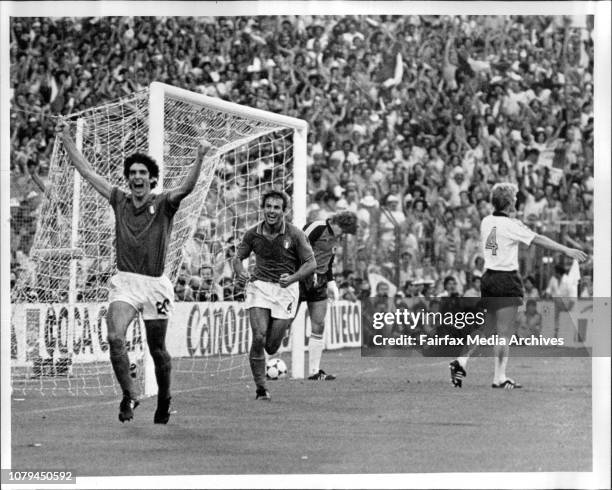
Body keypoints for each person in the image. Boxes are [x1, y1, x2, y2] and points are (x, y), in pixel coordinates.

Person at [58, 121, 210, 423]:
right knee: (115, 336)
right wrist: (65, 139)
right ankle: (129, 395)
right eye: (133, 173)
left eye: (143, 173)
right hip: (125, 282)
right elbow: (87, 172)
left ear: (151, 179)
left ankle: (164, 398)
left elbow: (188, 188)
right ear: (128, 179)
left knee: (157, 351)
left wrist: (200, 157)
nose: (137, 177)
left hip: (155, 286)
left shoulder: (164, 202)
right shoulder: (119, 199)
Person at [449, 183, 587, 389]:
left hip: (488, 278)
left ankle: (461, 361)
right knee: (504, 331)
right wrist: (565, 249)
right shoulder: (512, 224)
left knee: (486, 327)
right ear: (508, 202)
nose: (516, 201)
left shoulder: (486, 221)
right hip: (506, 279)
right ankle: (499, 377)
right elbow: (537, 239)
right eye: (514, 198)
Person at [233, 190, 316, 401]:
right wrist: (241, 273)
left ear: (284, 211)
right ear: (263, 208)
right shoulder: (252, 233)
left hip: (286, 290)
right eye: (268, 206)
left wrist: (293, 278)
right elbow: (238, 258)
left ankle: (279, 328)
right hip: (259, 287)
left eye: (276, 207)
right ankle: (261, 388)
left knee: (271, 345)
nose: (272, 211)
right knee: (259, 336)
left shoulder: (295, 234)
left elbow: (311, 263)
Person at [300, 211, 358, 380]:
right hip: (300, 279)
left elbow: (328, 260)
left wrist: (331, 282)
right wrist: (304, 271)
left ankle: (314, 372)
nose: (343, 235)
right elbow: (296, 248)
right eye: (344, 230)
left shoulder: (337, 237)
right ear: (338, 224)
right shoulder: (317, 228)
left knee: (319, 324)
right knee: (284, 324)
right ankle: (264, 362)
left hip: (320, 282)